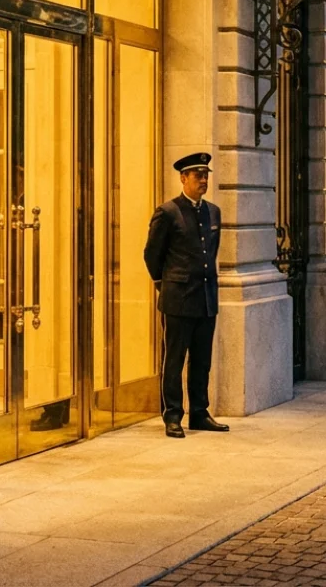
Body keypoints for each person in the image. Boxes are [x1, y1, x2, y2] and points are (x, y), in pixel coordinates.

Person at [143, 152, 229, 439]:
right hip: (178, 299)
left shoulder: (213, 212)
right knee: (174, 359)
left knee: (202, 359)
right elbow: (152, 254)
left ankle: (200, 413)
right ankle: (173, 415)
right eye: (197, 175)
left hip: (205, 297)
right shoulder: (168, 212)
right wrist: (164, 282)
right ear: (183, 178)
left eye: (206, 175)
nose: (203, 180)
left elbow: (211, 253)